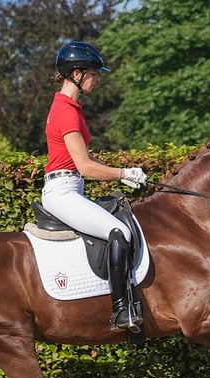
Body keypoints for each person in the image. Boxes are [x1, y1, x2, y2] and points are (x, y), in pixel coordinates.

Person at [42, 41, 146, 331]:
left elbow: (83, 159)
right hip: (62, 191)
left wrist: (122, 174)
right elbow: (85, 168)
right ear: (76, 73)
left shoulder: (68, 106)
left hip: (69, 187)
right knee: (119, 231)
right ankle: (121, 309)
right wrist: (124, 172)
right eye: (93, 73)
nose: (96, 79)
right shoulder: (66, 110)